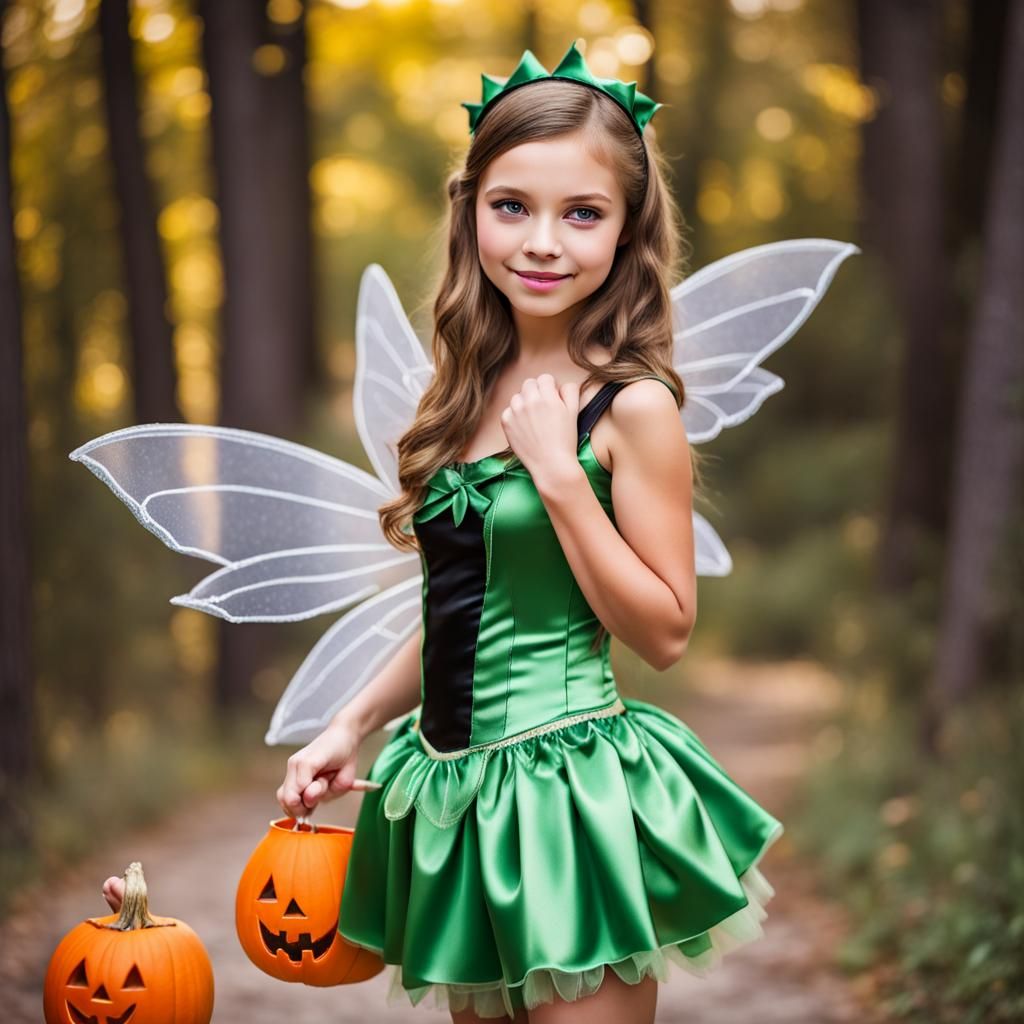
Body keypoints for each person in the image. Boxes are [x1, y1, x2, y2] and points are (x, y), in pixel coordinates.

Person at [104, 39, 785, 1024]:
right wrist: (351, 721)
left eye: (581, 213)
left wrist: (560, 479)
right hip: (455, 803)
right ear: (469, 212)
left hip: (565, 794)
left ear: (628, 232)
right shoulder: (458, 394)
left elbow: (667, 630)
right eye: (512, 206)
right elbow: (462, 608)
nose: (542, 241)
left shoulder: (629, 409)